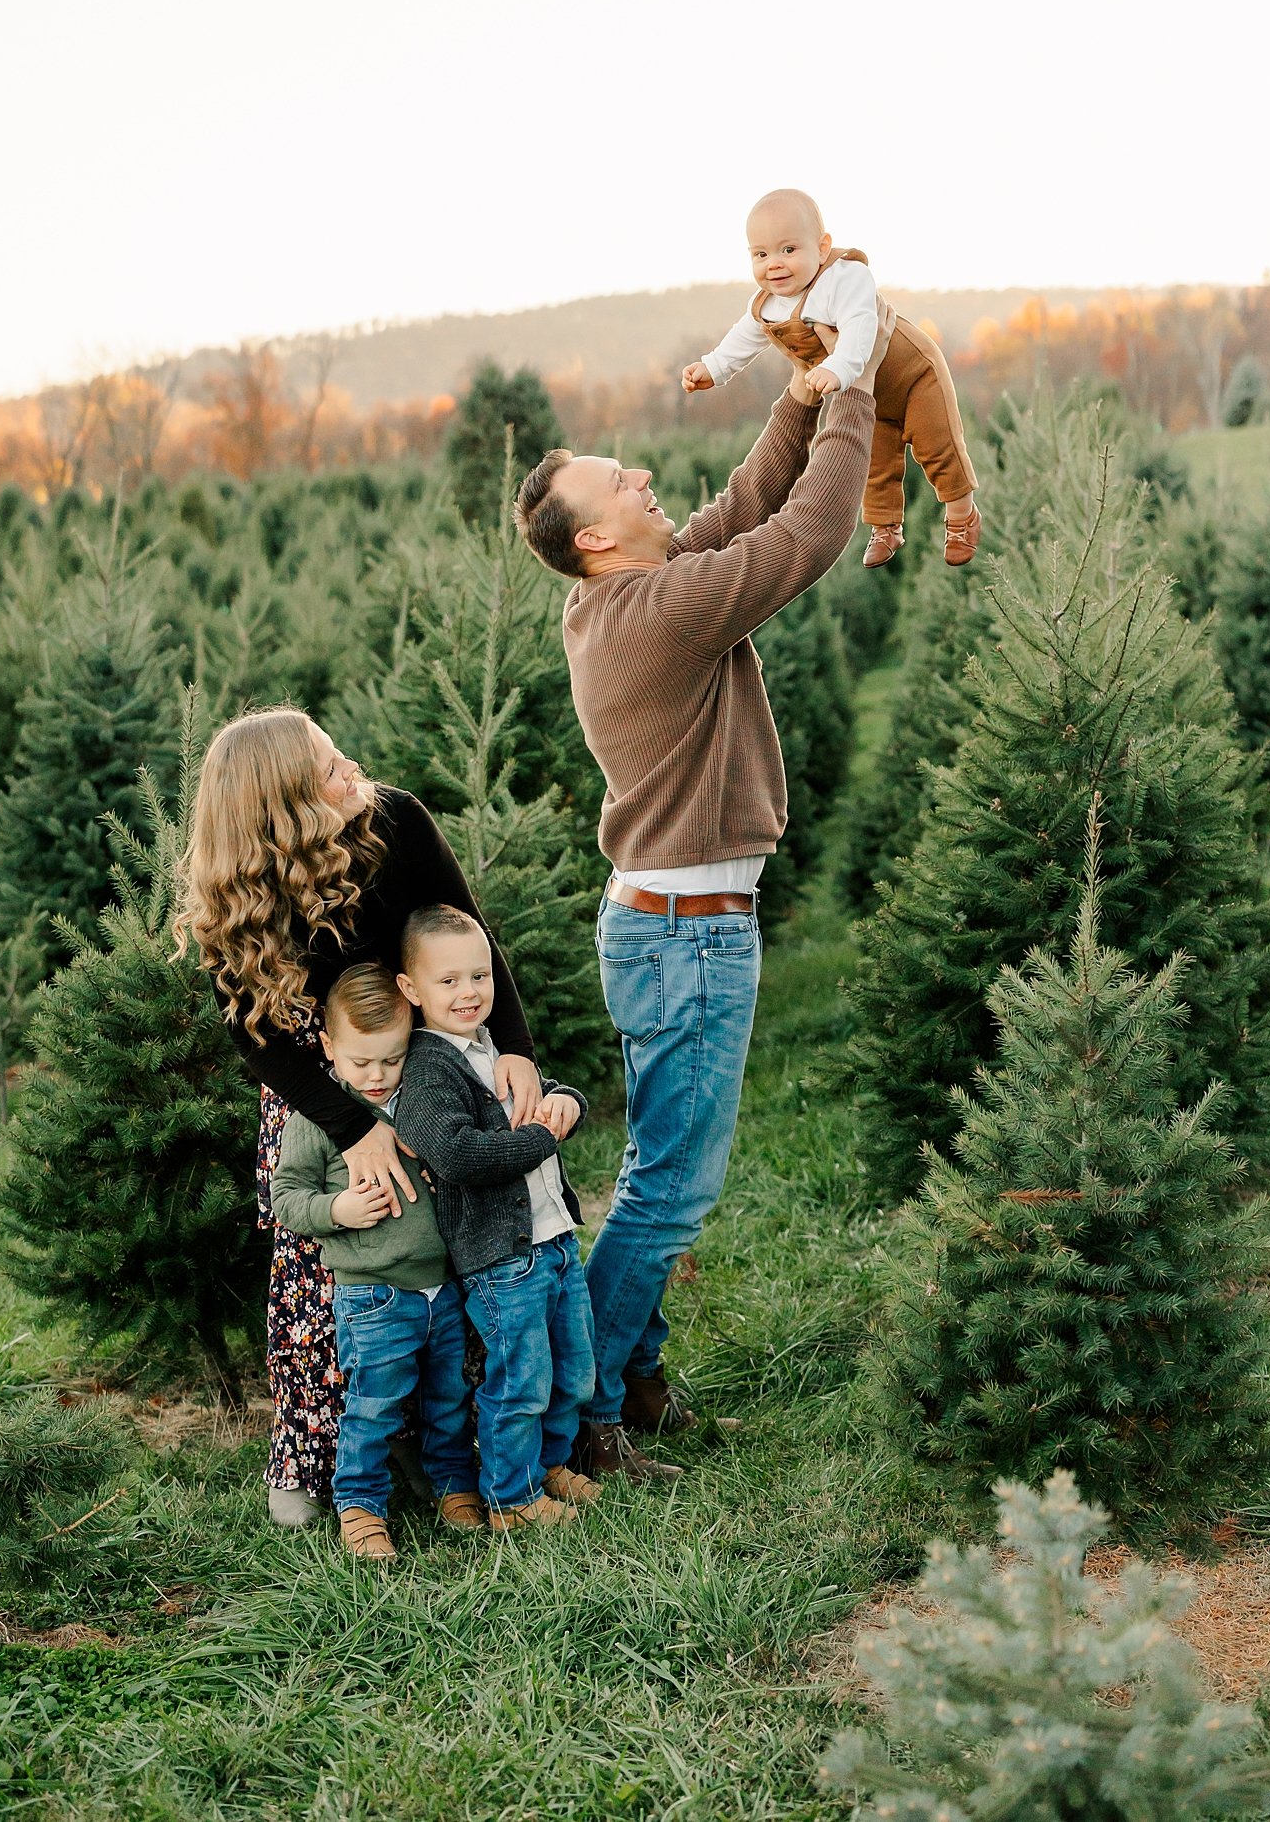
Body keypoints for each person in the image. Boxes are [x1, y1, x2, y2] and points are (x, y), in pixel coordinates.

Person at [512, 310, 891, 1480]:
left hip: (672, 927)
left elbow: (741, 506)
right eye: (619, 483)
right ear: (592, 542)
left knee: (655, 1172)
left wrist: (798, 389)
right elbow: (805, 535)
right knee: (674, 1188)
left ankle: (632, 1378)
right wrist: (858, 387)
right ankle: (580, 1417)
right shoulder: (659, 613)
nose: (642, 476)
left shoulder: (635, 591)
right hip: (686, 939)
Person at [178, 705, 543, 1527]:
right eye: (332, 772)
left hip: (415, 1067)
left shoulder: (395, 822)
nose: (356, 776)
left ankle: (446, 1444)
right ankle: (314, 1453)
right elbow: (256, 1038)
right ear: (284, 813)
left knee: (446, 1243)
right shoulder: (240, 891)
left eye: (343, 755)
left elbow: (469, 934)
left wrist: (511, 1043)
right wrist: (355, 1128)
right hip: (314, 1090)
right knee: (328, 1265)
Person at [392, 904, 599, 1532]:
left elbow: (550, 1095)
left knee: (572, 1368)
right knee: (520, 1381)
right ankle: (512, 1497)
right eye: (448, 981)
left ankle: (552, 1462)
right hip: (502, 1260)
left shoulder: (493, 1048)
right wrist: (544, 1138)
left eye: (479, 977)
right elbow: (455, 1155)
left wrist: (567, 1101)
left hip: (554, 1238)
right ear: (411, 989)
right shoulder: (429, 1070)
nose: (468, 993)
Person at [269, 964, 482, 1562]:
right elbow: (285, 1197)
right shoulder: (319, 1119)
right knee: (373, 1402)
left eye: (390, 1059)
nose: (376, 1075)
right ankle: (360, 1506)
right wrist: (337, 1208)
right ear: (329, 1047)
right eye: (360, 1061)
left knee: (447, 1397)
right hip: (374, 1294)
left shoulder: (421, 1099)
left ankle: (453, 1485)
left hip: (442, 1286)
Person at [682, 187, 980, 568]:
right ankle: (886, 528)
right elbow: (744, 337)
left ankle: (961, 515)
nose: (774, 264)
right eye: (761, 254)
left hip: (912, 376)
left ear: (822, 247)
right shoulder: (768, 304)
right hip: (866, 390)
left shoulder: (846, 278)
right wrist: (712, 368)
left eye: (789, 250)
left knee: (938, 447)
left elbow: (860, 327)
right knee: (874, 461)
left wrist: (837, 368)